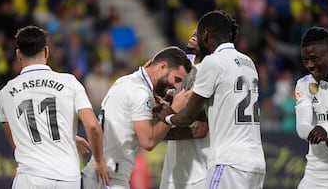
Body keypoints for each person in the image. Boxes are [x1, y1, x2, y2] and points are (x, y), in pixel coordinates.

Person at [157, 10, 266, 188]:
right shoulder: (248, 62)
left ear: (205, 35)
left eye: (197, 33)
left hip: (225, 160)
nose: (194, 36)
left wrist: (165, 119)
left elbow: (191, 118)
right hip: (255, 160)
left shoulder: (213, 64)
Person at [0, 25, 109, 189]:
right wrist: (99, 161)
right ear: (46, 52)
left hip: (31, 176)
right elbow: (92, 126)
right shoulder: (70, 82)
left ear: (18, 55)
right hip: (68, 178)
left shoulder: (5, 93)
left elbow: (15, 138)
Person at [81, 46, 192, 189]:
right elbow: (148, 141)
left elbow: (126, 118)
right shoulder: (140, 93)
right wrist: (172, 111)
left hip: (99, 175)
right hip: (109, 178)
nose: (176, 86)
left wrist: (156, 108)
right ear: (162, 67)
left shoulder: (125, 81)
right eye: (176, 79)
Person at [159, 31, 210, 189]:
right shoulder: (182, 63)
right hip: (173, 169)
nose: (195, 32)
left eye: (203, 31)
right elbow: (159, 100)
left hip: (199, 170)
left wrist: (155, 133)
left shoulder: (211, 70)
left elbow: (199, 129)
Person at [295, 26, 328, 189]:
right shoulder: (304, 84)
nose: (309, 65)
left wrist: (326, 128)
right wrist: (326, 136)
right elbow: (302, 127)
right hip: (314, 178)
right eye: (305, 60)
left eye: (314, 59)